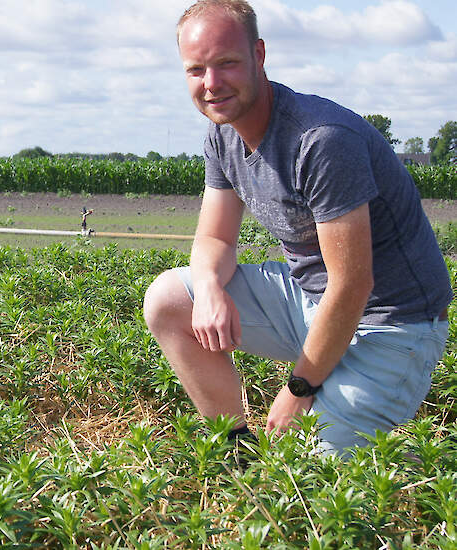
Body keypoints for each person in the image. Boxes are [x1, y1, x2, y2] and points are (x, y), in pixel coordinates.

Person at [143, 0, 451, 456]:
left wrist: (299, 389)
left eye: (226, 63)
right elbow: (215, 238)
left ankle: (422, 472)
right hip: (311, 300)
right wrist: (207, 289)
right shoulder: (222, 132)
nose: (211, 84)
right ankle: (239, 450)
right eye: (196, 70)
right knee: (169, 301)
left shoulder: (322, 141)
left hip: (391, 324)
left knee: (314, 473)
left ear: (259, 55)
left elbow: (352, 285)